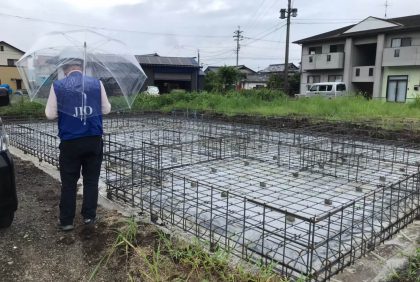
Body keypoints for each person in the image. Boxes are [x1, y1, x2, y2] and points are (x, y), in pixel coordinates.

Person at [45, 54, 111, 231]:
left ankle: (66, 221)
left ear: (65, 69)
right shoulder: (97, 84)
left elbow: (50, 114)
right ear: (81, 68)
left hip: (70, 141)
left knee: (69, 182)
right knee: (91, 180)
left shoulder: (58, 86)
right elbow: (106, 109)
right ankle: (89, 217)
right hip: (93, 139)